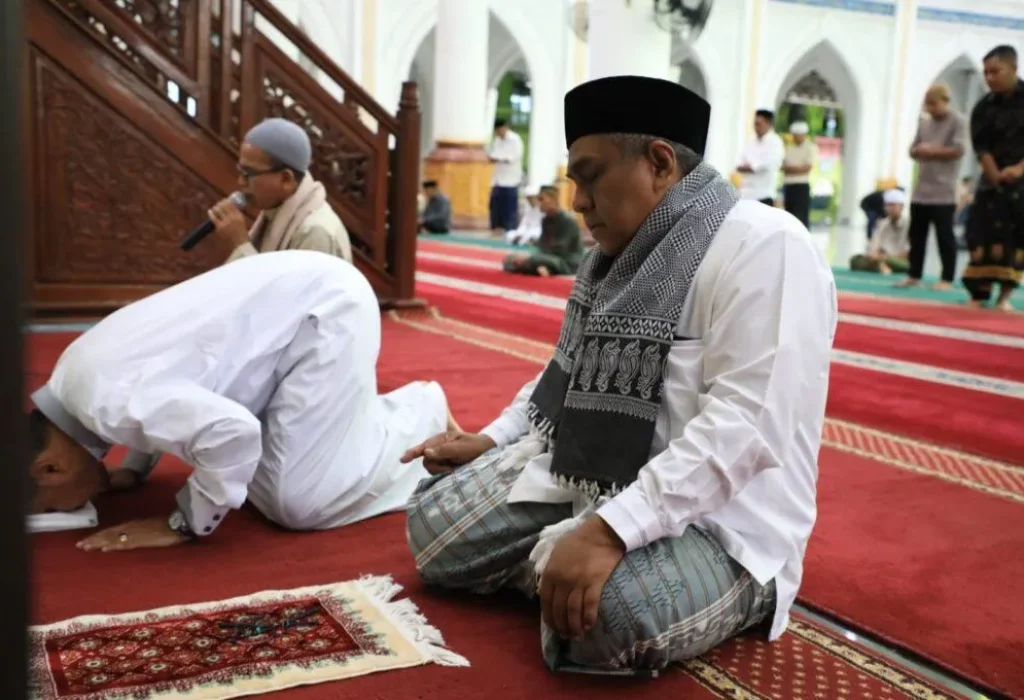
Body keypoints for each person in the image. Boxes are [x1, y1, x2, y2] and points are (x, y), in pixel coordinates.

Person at [402, 76, 837, 675]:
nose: (577, 200)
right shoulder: (619, 253)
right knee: (433, 530)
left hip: (720, 523)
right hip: (596, 479)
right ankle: (558, 560)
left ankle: (577, 565)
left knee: (606, 619)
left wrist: (610, 532)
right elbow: (570, 369)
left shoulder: (767, 246)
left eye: (590, 175)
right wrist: (497, 438)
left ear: (658, 163)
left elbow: (750, 425)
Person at [27, 251, 455, 552]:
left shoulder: (106, 400)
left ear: (48, 468)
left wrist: (181, 524)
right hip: (292, 310)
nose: (65, 508)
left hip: (326, 311)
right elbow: (153, 389)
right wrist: (135, 470)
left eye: (50, 505)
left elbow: (234, 432)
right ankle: (352, 419)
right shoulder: (72, 377)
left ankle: (420, 412)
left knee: (298, 503)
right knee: (249, 481)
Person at [209, 118, 352, 264]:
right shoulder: (275, 210)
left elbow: (285, 287)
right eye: (240, 171)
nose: (241, 182)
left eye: (248, 174)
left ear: (286, 179)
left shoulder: (315, 232)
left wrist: (240, 244)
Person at [963, 45, 1024, 311]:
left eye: (995, 72)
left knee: (1015, 238)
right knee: (980, 234)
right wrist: (994, 173)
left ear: (1013, 68)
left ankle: (1004, 297)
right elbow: (981, 146)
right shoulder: (984, 107)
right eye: (985, 72)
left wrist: (1019, 169)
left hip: (1021, 184)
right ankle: (978, 295)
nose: (989, 78)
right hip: (991, 182)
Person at [896, 84, 966, 291]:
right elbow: (912, 149)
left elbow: (959, 150)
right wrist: (920, 150)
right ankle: (914, 274)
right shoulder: (925, 123)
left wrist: (931, 150)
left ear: (945, 101)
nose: (930, 109)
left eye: (934, 104)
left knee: (945, 235)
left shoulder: (958, 121)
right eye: (928, 105)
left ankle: (947, 278)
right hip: (921, 190)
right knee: (917, 235)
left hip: (944, 191)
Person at [502, 185, 584, 277]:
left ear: (553, 199)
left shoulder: (568, 221)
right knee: (509, 259)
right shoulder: (545, 220)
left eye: (541, 199)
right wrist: (532, 257)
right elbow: (542, 246)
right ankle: (542, 269)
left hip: (566, 262)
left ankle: (539, 267)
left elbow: (560, 249)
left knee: (530, 261)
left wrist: (531, 258)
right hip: (547, 258)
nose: (539, 203)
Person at [849, 189, 911, 274]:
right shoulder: (882, 223)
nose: (890, 208)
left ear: (901, 206)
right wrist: (874, 254)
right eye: (888, 205)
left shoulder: (910, 224)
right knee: (855, 260)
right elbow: (874, 244)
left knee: (907, 265)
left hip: (898, 260)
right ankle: (881, 267)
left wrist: (884, 257)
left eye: (893, 205)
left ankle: (881, 266)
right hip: (880, 258)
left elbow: (909, 253)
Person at [737, 109, 784, 205]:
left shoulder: (775, 142)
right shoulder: (750, 141)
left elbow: (769, 164)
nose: (756, 127)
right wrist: (749, 167)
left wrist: (751, 167)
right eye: (755, 124)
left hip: (764, 195)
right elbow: (739, 163)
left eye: (759, 124)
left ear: (769, 124)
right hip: (746, 195)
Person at [488, 118, 525, 236]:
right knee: (495, 205)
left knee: (509, 208)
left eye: (500, 130)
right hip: (498, 179)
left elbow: (514, 157)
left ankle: (510, 231)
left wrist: (499, 158)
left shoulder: (515, 140)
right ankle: (496, 229)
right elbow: (493, 154)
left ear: (505, 127)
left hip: (511, 180)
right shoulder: (497, 140)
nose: (499, 133)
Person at [782, 121, 815, 228]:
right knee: (789, 215)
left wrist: (792, 169)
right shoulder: (788, 148)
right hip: (789, 185)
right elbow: (783, 167)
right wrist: (797, 168)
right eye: (794, 135)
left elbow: (807, 168)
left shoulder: (810, 148)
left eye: (798, 135)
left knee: (802, 216)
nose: (796, 137)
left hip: (802, 186)